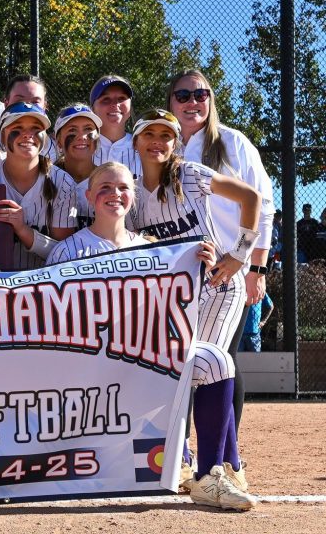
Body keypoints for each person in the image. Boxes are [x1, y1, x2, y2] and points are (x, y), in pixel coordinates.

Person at [46, 160, 256, 511]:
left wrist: (199, 264)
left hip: (146, 358)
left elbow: (176, 308)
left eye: (124, 188)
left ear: (133, 197)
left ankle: (208, 475)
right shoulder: (67, 252)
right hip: (90, 369)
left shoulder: (154, 248)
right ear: (88, 196)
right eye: (105, 187)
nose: (115, 194)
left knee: (216, 361)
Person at [130, 109, 261, 510]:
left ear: (176, 143)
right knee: (191, 371)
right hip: (173, 296)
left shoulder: (188, 173)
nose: (157, 142)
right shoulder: (132, 193)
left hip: (218, 284)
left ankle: (211, 472)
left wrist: (241, 254)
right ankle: (225, 462)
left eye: (166, 136)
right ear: (136, 142)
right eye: (149, 134)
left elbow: (250, 197)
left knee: (208, 364)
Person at [168, 69, 276, 432]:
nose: (192, 102)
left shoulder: (233, 143)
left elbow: (264, 207)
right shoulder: (162, 145)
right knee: (180, 358)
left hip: (227, 271)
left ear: (211, 100)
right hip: (178, 272)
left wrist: (252, 267)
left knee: (220, 358)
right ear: (170, 102)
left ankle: (226, 457)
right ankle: (178, 453)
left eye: (200, 94)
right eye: (182, 95)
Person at [0, 102, 78, 269]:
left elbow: (65, 254)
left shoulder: (62, 182)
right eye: (18, 127)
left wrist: (23, 230)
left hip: (45, 282)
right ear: (2, 136)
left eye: (36, 128)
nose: (28, 134)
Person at [51, 103, 103, 229]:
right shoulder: (48, 179)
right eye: (72, 130)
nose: (82, 136)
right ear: (58, 141)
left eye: (88, 129)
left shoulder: (108, 180)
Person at [0, 74, 60, 162]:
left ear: (45, 106)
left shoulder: (57, 150)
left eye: (35, 102)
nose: (27, 106)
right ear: (6, 104)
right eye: (19, 101)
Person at [89, 75, 140, 175]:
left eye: (122, 98)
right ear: (93, 109)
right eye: (106, 99)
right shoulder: (81, 146)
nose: (115, 104)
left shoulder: (143, 147)